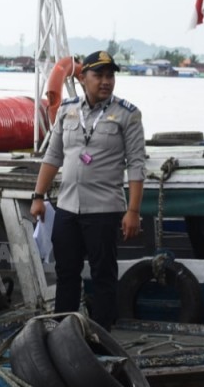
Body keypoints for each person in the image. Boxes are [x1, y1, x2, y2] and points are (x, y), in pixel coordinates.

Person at [29, 50, 146, 330]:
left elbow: (137, 165)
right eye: (99, 75)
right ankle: (62, 332)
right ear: (82, 78)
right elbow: (52, 157)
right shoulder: (68, 111)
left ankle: (103, 335)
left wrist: (133, 211)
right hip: (68, 208)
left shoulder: (128, 115)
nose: (106, 81)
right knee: (66, 273)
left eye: (110, 75)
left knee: (103, 276)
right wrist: (38, 197)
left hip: (104, 210)